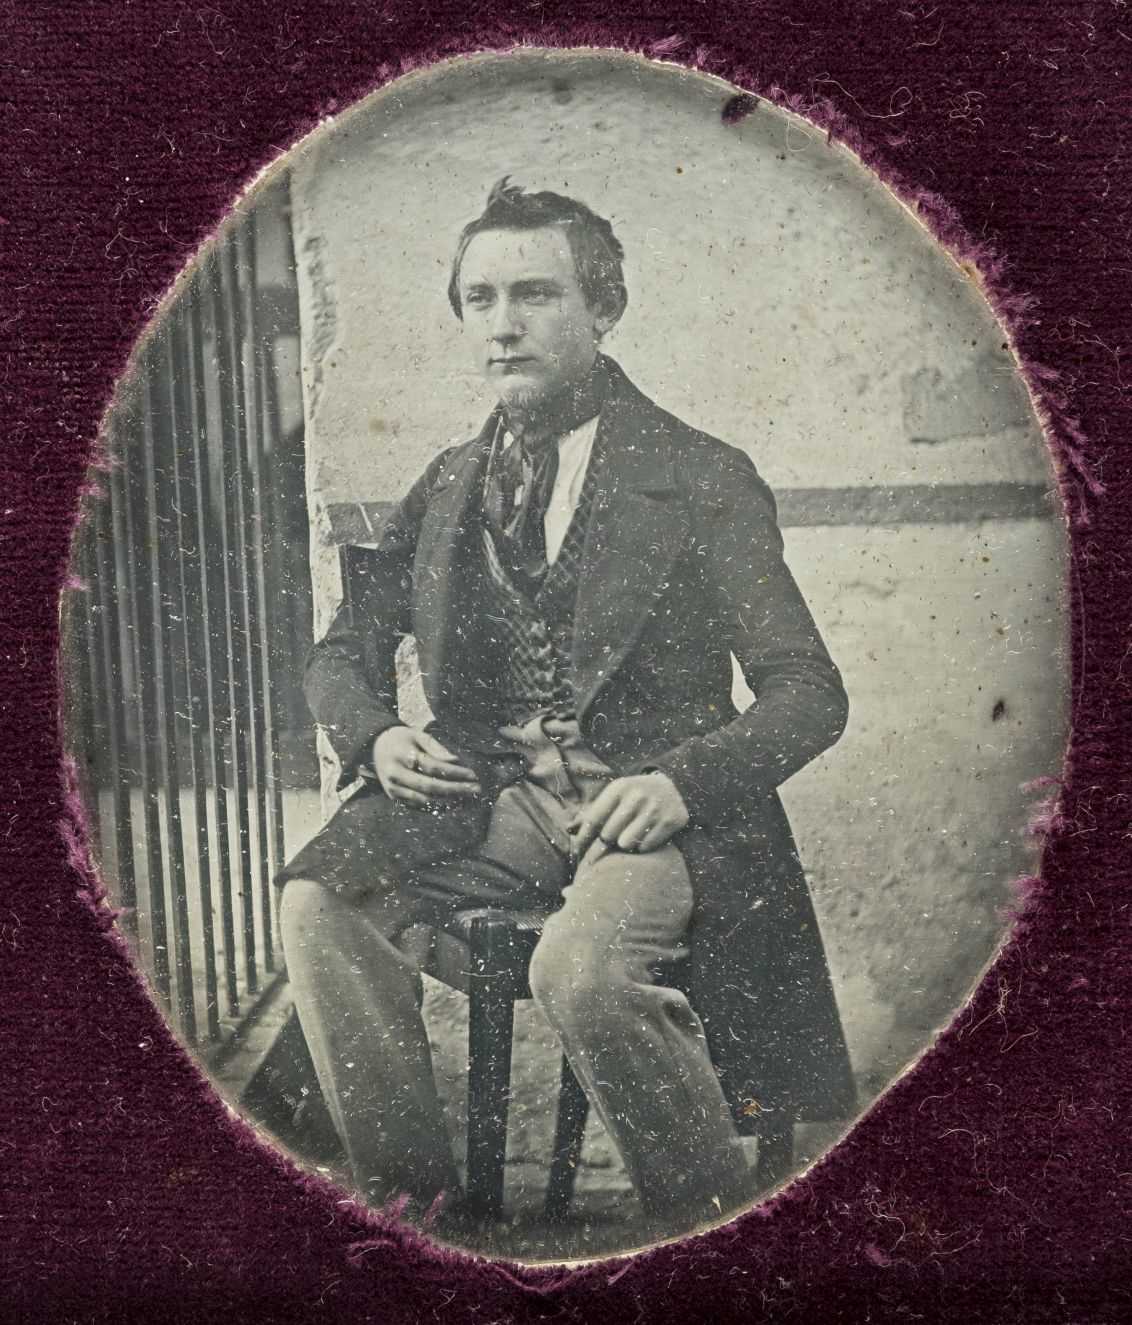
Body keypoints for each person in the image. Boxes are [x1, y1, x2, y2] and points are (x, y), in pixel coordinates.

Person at [277, 177, 855, 1240]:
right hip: (494, 802)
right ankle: (423, 1221)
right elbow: (342, 650)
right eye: (480, 298)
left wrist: (680, 780)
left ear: (603, 308)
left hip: (660, 815)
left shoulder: (700, 474)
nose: (503, 325)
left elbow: (810, 693)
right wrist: (378, 732)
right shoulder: (450, 481)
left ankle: (709, 1234)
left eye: (534, 294)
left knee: (579, 968)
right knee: (320, 904)